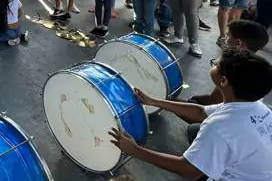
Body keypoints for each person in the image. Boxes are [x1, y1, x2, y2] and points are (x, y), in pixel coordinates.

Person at [110, 47, 272, 181]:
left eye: (215, 64)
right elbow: (200, 112)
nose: (213, 65)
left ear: (223, 81)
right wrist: (154, 101)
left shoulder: (220, 127)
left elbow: (189, 171)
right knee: (195, 129)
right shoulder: (257, 105)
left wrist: (135, 150)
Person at [188, 19, 269, 106]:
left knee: (192, 101)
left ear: (238, 43)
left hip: (230, 112)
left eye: (227, 36)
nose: (224, 40)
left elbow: (215, 100)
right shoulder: (258, 64)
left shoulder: (234, 68)